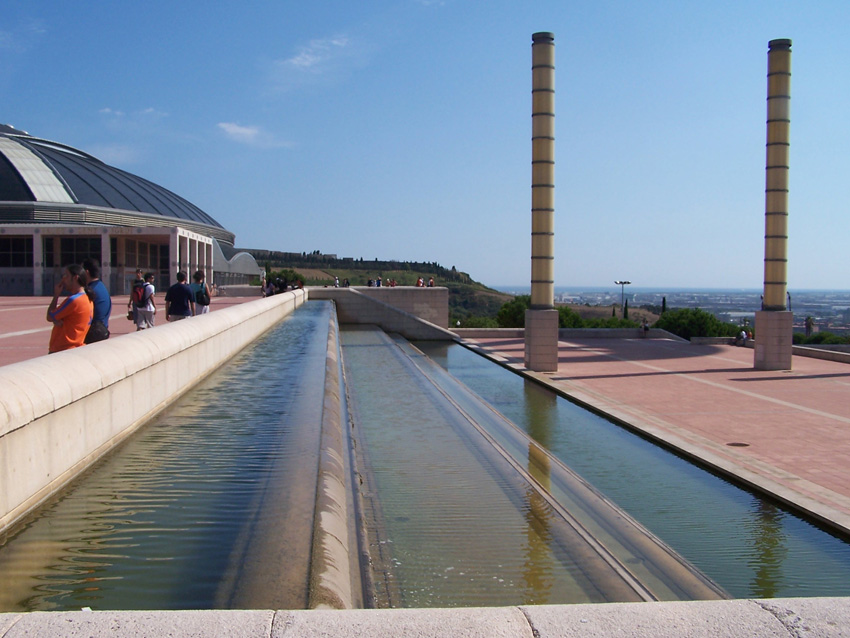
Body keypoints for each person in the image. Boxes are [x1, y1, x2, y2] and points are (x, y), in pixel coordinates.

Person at [46, 264, 94, 354]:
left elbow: (49, 316)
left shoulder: (74, 300)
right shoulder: (88, 299)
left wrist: (56, 295)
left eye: (66, 276)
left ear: (75, 278)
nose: (63, 279)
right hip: (76, 348)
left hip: (63, 349)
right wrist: (56, 319)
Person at [82, 258, 111, 343]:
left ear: (86, 272)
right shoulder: (101, 286)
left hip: (92, 334)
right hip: (102, 330)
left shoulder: (90, 290)